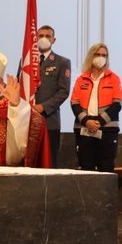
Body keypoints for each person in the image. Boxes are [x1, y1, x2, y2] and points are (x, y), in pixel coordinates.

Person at [70, 44, 122, 173]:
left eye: (104, 55)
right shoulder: (81, 79)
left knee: (106, 168)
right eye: (98, 55)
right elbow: (74, 103)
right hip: (84, 129)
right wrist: (87, 121)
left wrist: (99, 122)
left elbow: (117, 104)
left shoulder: (114, 78)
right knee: (86, 169)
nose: (101, 58)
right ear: (91, 57)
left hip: (107, 130)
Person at [33, 25, 71, 165]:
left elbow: (63, 92)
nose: (43, 38)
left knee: (49, 162)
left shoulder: (62, 62)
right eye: (40, 35)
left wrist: (43, 107)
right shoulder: (26, 61)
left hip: (49, 121)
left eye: (47, 36)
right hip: (28, 120)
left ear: (53, 40)